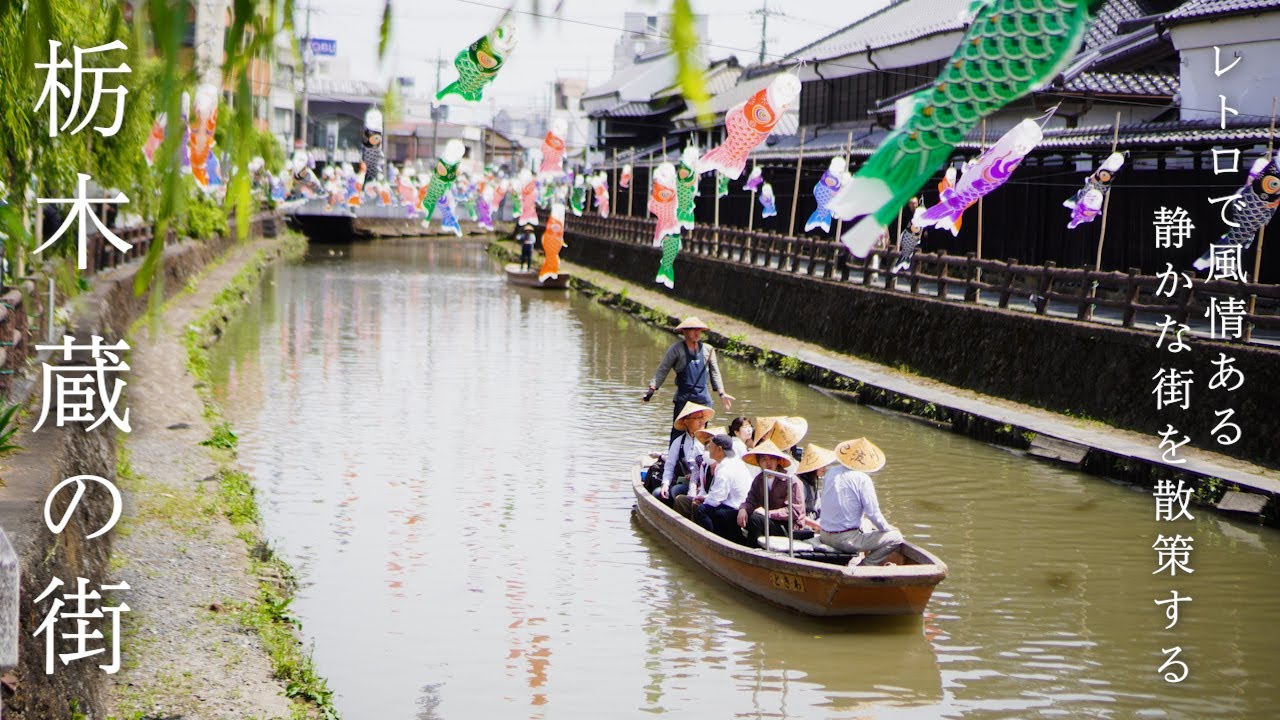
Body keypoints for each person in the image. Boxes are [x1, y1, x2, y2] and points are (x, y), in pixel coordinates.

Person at [817, 437, 904, 566]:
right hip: (844, 540)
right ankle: (866, 565)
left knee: (867, 523)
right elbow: (873, 512)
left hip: (824, 534)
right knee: (896, 538)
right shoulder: (863, 479)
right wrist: (887, 529)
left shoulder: (831, 472)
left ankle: (858, 557)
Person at [646, 317, 735, 441]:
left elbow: (715, 372)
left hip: (703, 398)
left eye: (699, 330)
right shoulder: (676, 349)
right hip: (684, 398)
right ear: (685, 332)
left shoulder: (708, 350)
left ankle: (699, 458)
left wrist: (722, 392)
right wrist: (652, 388)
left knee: (702, 432)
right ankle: (675, 457)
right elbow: (663, 369)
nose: (697, 333)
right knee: (678, 432)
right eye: (693, 330)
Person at [736, 440, 807, 548]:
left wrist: (767, 513)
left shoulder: (790, 480)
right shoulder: (759, 479)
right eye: (764, 459)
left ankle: (750, 553)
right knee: (735, 516)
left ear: (778, 461)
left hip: (789, 527)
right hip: (768, 521)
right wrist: (743, 509)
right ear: (759, 463)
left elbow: (794, 512)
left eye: (771, 459)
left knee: (755, 519)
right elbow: (751, 500)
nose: (768, 463)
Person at [689, 434, 755, 543]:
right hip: (740, 505)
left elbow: (715, 500)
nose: (708, 449)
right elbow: (719, 495)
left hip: (736, 509)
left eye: (711, 446)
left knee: (702, 510)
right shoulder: (735, 461)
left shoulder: (724, 468)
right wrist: (705, 497)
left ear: (719, 449)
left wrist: (704, 500)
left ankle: (713, 541)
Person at [655, 401, 714, 507]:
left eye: (702, 418)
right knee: (662, 492)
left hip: (707, 484)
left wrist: (699, 480)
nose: (701, 421)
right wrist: (665, 484)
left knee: (677, 491)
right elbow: (669, 466)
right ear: (686, 421)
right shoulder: (678, 442)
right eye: (697, 418)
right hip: (686, 483)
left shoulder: (711, 441)